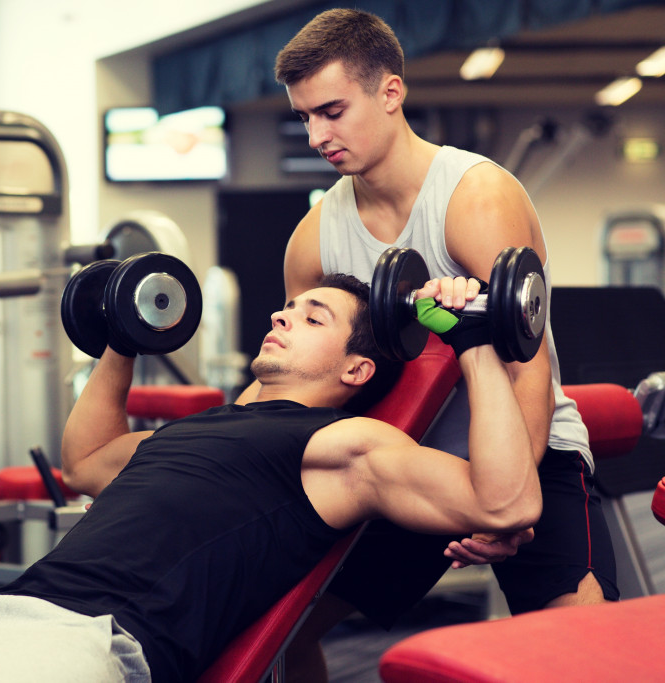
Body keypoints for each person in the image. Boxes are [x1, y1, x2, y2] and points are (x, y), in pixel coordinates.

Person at [0, 273, 541, 683]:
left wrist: (471, 338)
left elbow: (505, 498)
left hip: (83, 646)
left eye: (313, 315)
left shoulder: (340, 443)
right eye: (288, 307)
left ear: (360, 366)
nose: (283, 313)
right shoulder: (201, 427)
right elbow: (86, 461)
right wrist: (121, 334)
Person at [262, 8, 617, 679]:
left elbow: (528, 368)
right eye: (305, 117)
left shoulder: (475, 197)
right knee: (275, 629)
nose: (316, 135)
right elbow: (299, 390)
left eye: (332, 111)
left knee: (583, 639)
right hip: (404, 471)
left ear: (390, 93)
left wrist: (509, 503)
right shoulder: (314, 235)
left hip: (529, 453)